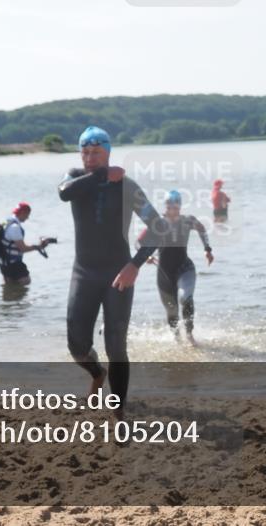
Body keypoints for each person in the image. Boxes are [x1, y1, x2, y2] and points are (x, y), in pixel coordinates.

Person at [58, 126, 162, 416]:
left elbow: (158, 228)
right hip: (84, 273)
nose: (90, 157)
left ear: (108, 152)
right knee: (77, 346)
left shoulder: (127, 186)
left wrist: (135, 264)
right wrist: (103, 174)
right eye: (85, 152)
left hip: (118, 274)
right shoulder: (75, 178)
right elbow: (64, 193)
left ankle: (118, 411)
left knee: (116, 346)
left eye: (96, 152)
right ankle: (96, 374)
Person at [142, 190, 213, 345]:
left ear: (179, 206)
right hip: (164, 273)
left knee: (185, 298)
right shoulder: (157, 223)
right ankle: (177, 339)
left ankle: (189, 335)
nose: (172, 208)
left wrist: (207, 249)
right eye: (169, 205)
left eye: (175, 205)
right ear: (166, 206)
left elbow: (202, 229)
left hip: (184, 268)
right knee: (171, 310)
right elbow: (139, 242)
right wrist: (146, 255)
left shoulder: (188, 220)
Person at [0, 202, 52, 285]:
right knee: (26, 281)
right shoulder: (15, 227)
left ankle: (12, 296)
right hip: (14, 264)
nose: (27, 218)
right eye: (27, 215)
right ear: (23, 213)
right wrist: (38, 246)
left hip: (3, 263)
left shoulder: (6, 223)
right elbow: (22, 248)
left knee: (9, 287)